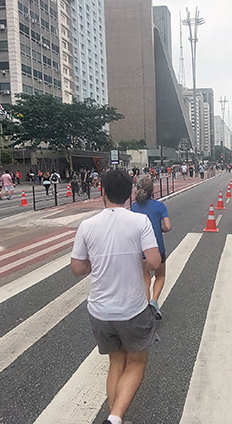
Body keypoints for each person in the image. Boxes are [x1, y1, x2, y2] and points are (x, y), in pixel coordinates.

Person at [70, 169, 161, 424]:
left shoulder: (87, 226)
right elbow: (154, 261)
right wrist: (138, 262)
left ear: (102, 191)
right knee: (137, 361)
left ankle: (114, 418)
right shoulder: (139, 221)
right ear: (129, 193)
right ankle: (116, 417)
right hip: (132, 309)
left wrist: (96, 263)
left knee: (115, 361)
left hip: (99, 311)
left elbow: (77, 269)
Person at [131, 176, 171, 320]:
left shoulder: (134, 207)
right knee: (160, 275)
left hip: (140, 250)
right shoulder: (160, 206)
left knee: (145, 279)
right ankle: (154, 301)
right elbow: (168, 226)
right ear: (152, 190)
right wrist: (160, 230)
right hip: (157, 248)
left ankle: (146, 306)